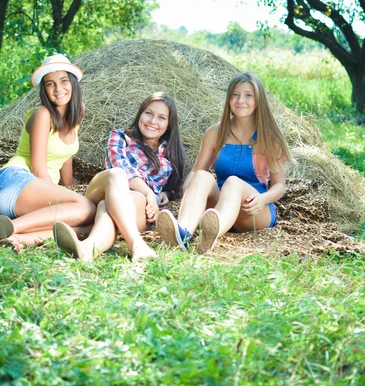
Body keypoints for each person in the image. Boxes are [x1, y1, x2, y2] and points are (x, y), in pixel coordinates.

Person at [156, 72, 293, 254]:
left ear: (258, 100)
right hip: (220, 204)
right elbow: (197, 170)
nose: (240, 100)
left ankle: (210, 236)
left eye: (248, 95)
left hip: (254, 208)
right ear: (229, 99)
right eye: (235, 95)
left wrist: (263, 199)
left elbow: (279, 186)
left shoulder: (270, 137)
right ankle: (182, 234)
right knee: (202, 177)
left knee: (233, 182)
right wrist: (189, 190)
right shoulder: (215, 132)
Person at [0, 54, 95, 253]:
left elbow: (65, 156)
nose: (58, 89)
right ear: (44, 89)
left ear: (73, 83)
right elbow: (38, 169)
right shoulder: (43, 114)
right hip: (16, 183)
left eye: (63, 81)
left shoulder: (77, 113)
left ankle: (11, 237)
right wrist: (67, 199)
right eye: (50, 84)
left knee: (88, 225)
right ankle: (11, 226)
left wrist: (69, 187)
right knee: (87, 208)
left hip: (31, 199)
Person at [53, 92, 185, 262]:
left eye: (161, 118)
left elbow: (173, 185)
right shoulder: (120, 137)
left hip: (137, 203)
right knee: (117, 175)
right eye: (149, 113)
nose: (153, 121)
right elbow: (120, 166)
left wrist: (164, 193)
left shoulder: (172, 152)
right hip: (106, 187)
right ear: (140, 114)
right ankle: (136, 243)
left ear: (169, 124)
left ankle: (87, 249)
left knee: (106, 207)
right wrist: (149, 192)